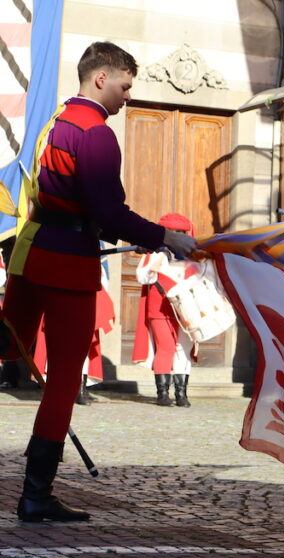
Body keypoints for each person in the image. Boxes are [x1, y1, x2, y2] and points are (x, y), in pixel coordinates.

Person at [0, 41, 199, 523]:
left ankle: (37, 490)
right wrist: (165, 236)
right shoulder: (96, 133)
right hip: (67, 263)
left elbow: (69, 202)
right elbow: (106, 211)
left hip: (31, 255)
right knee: (65, 378)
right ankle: (36, 494)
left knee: (6, 349)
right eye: (126, 87)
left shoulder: (57, 121)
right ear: (101, 79)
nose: (128, 97)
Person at [132, 213, 199, 407]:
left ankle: (181, 394)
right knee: (166, 348)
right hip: (160, 306)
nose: (176, 235)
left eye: (180, 232)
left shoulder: (193, 254)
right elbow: (141, 276)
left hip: (187, 308)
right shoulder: (154, 252)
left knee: (183, 350)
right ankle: (162, 394)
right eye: (173, 231)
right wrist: (156, 265)